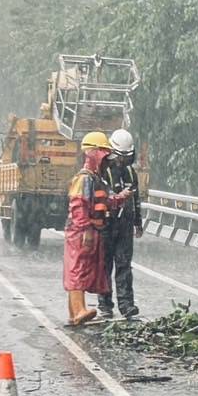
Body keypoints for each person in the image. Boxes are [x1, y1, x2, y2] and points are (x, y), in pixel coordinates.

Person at [63, 132, 113, 326]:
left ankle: (74, 313)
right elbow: (79, 206)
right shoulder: (84, 179)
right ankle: (78, 311)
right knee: (78, 269)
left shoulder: (94, 178)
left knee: (80, 268)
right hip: (80, 231)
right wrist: (87, 231)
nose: (106, 158)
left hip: (88, 229)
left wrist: (119, 199)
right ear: (92, 153)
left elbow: (103, 201)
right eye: (103, 153)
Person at [98, 128, 144, 319]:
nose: (122, 161)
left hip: (125, 224)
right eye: (120, 157)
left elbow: (136, 199)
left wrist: (137, 222)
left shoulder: (131, 173)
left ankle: (126, 305)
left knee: (124, 264)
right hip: (107, 223)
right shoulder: (103, 171)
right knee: (106, 264)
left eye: (126, 157)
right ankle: (105, 304)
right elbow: (101, 195)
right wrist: (116, 196)